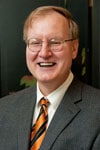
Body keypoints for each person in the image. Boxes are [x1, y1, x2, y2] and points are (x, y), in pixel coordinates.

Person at [0, 5, 100, 150]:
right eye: (35, 43)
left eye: (55, 42)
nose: (44, 53)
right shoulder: (3, 110)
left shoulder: (97, 112)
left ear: (74, 48)